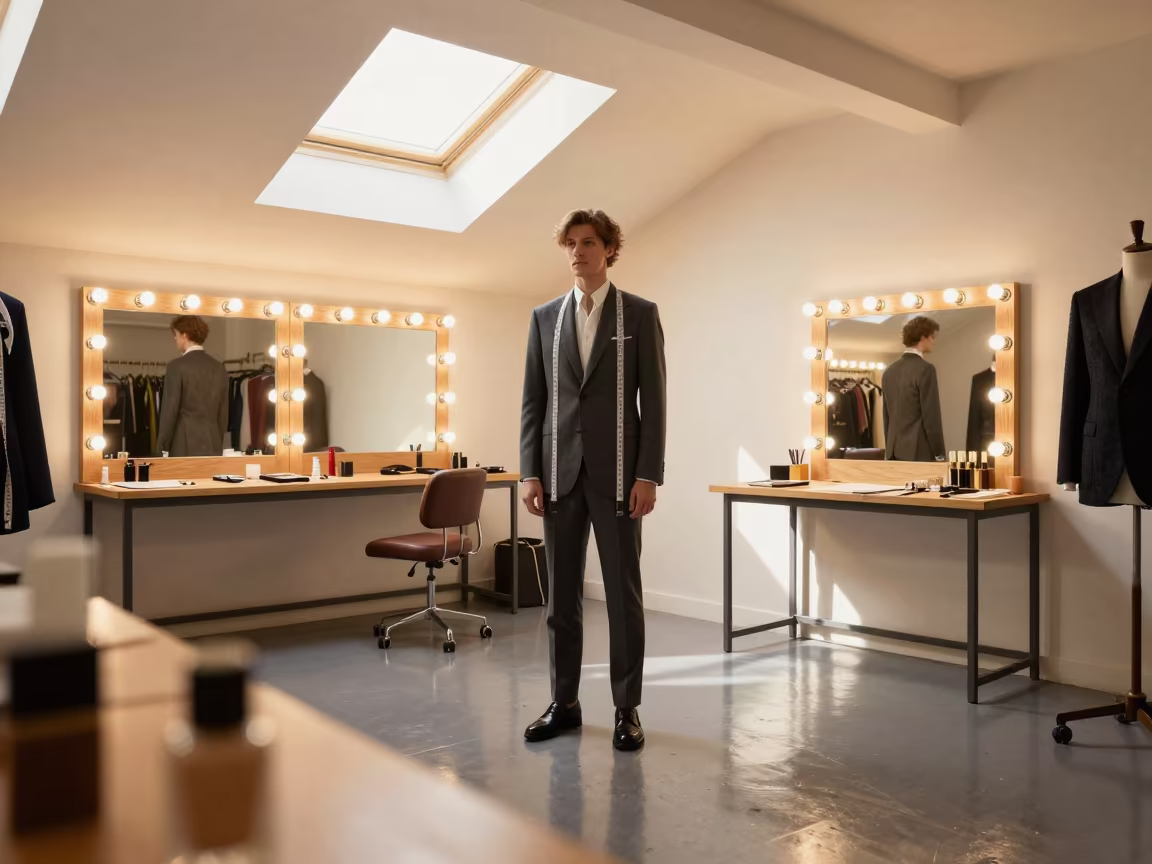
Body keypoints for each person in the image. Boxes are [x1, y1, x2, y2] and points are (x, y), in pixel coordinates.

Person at [519, 209, 667, 752]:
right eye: (571, 244)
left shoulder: (639, 314)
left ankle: (627, 708)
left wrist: (648, 474)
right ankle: (565, 702)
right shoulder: (543, 318)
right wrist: (530, 472)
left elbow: (654, 402)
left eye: (589, 243)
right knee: (560, 598)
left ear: (609, 250)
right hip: (558, 476)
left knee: (623, 596)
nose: (578, 251)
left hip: (619, 477)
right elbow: (534, 403)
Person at [156, 315, 228, 457]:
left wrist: (162, 445)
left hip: (183, 442)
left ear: (185, 335)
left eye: (176, 335)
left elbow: (169, 410)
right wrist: (218, 439)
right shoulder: (219, 367)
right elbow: (223, 412)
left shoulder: (176, 366)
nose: (175, 339)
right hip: (213, 441)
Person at [881, 315, 946, 462]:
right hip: (919, 449)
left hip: (893, 450)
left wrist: (888, 447)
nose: (934, 342)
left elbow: (886, 415)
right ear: (923, 337)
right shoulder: (925, 369)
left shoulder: (888, 370)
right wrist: (939, 453)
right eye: (932, 337)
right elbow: (931, 416)